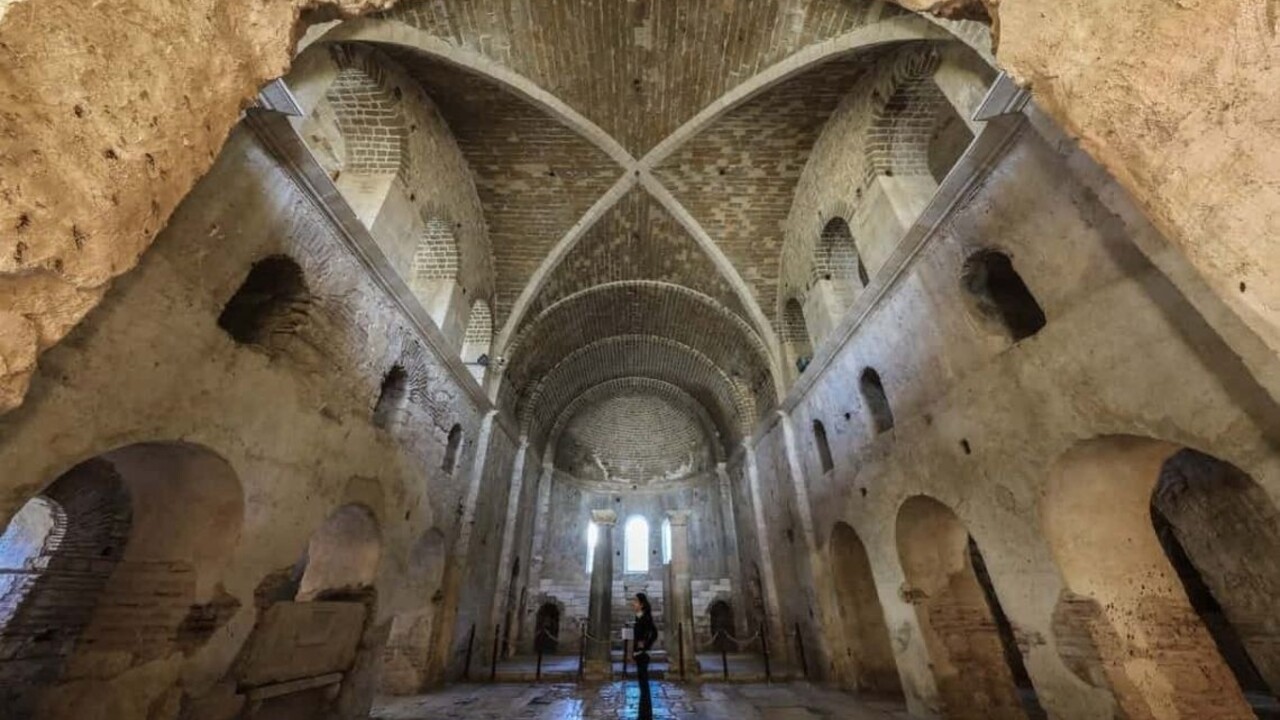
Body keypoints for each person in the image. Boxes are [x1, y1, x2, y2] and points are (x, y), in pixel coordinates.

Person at [631, 593, 659, 720]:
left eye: (635, 601)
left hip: (643, 654)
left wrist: (646, 646)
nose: (633, 603)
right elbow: (637, 637)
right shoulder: (638, 617)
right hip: (639, 654)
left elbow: (654, 633)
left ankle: (645, 716)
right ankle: (644, 714)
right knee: (642, 685)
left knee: (644, 685)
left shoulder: (646, 617)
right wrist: (634, 652)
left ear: (641, 604)